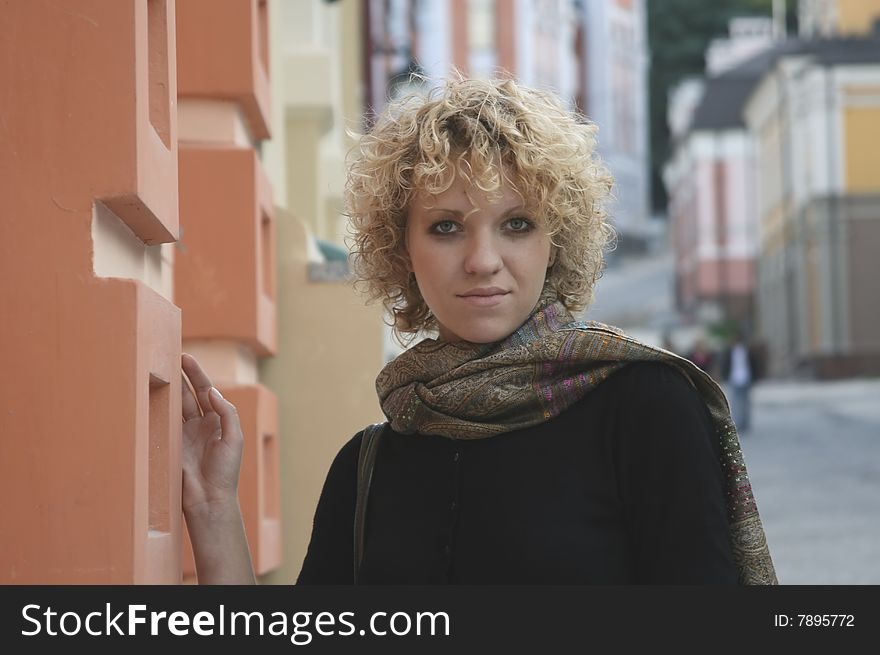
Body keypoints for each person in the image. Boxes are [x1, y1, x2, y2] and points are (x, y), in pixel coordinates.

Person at [181, 77, 777, 585]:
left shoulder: (646, 408)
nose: (482, 259)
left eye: (516, 224)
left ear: (556, 242)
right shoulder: (367, 467)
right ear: (402, 248)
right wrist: (213, 510)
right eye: (445, 227)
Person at [720, 329, 761, 436]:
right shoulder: (729, 351)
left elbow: (754, 363)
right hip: (733, 379)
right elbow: (725, 364)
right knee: (735, 402)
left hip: (746, 378)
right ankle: (738, 423)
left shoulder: (747, 350)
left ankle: (745, 423)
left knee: (746, 402)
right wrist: (725, 375)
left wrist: (755, 377)